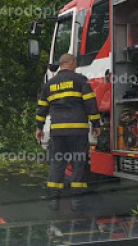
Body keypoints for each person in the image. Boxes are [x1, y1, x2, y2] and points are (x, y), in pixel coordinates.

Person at [35, 53, 101, 211]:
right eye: (75, 62)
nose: (76, 65)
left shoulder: (49, 84)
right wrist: (96, 124)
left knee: (57, 164)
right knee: (78, 164)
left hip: (58, 133)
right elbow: (90, 103)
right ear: (71, 63)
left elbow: (42, 108)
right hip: (78, 131)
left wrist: (39, 127)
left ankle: (54, 201)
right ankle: (77, 203)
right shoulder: (81, 80)